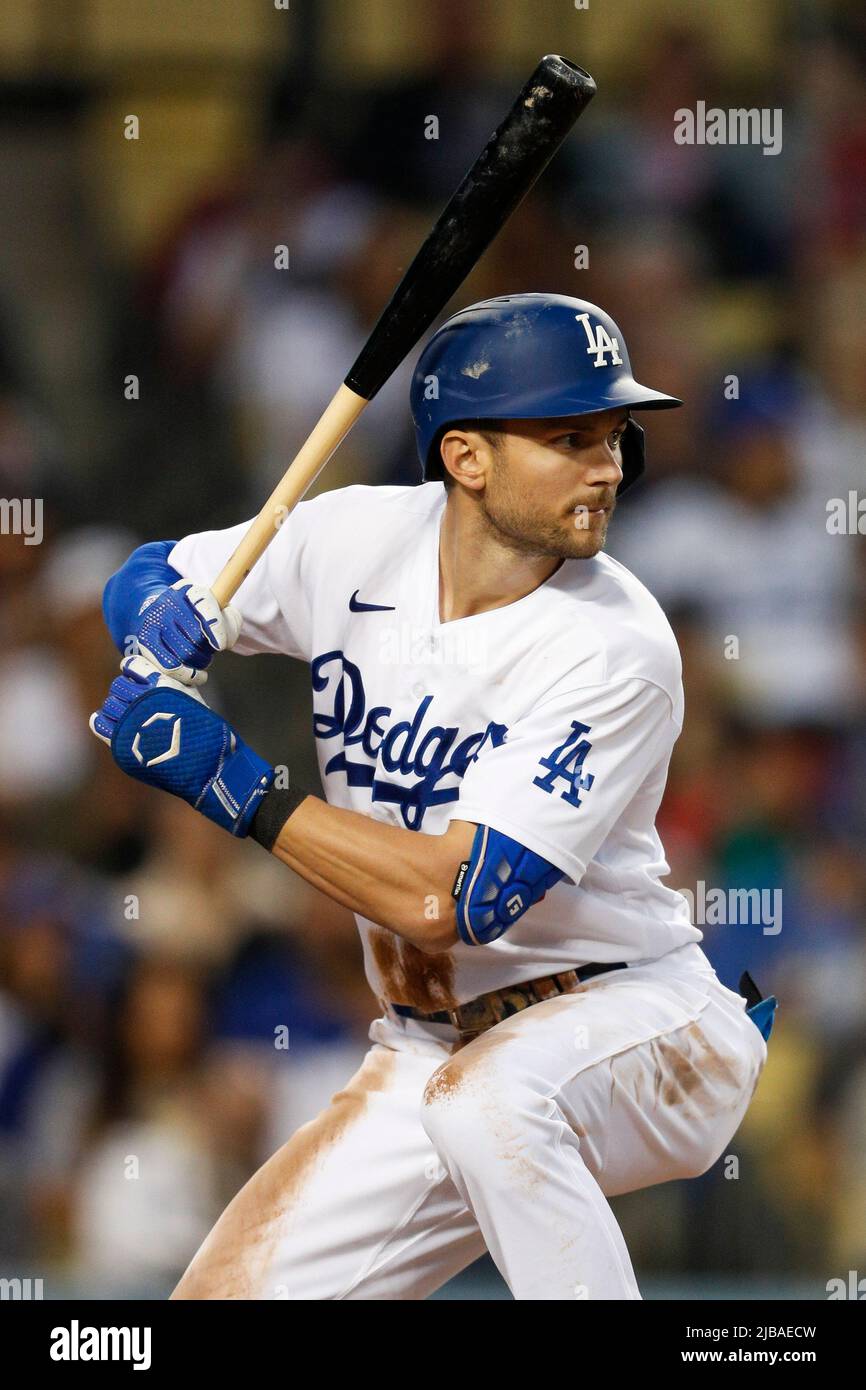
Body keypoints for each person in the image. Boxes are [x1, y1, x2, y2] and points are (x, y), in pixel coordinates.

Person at [90, 293, 775, 1300]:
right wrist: (162, 615)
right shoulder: (354, 538)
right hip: (430, 1047)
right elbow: (145, 575)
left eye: (613, 436)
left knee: (489, 1101)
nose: (608, 466)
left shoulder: (614, 644)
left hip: (635, 1017)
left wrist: (232, 781)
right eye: (570, 437)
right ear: (465, 456)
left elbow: (449, 902)